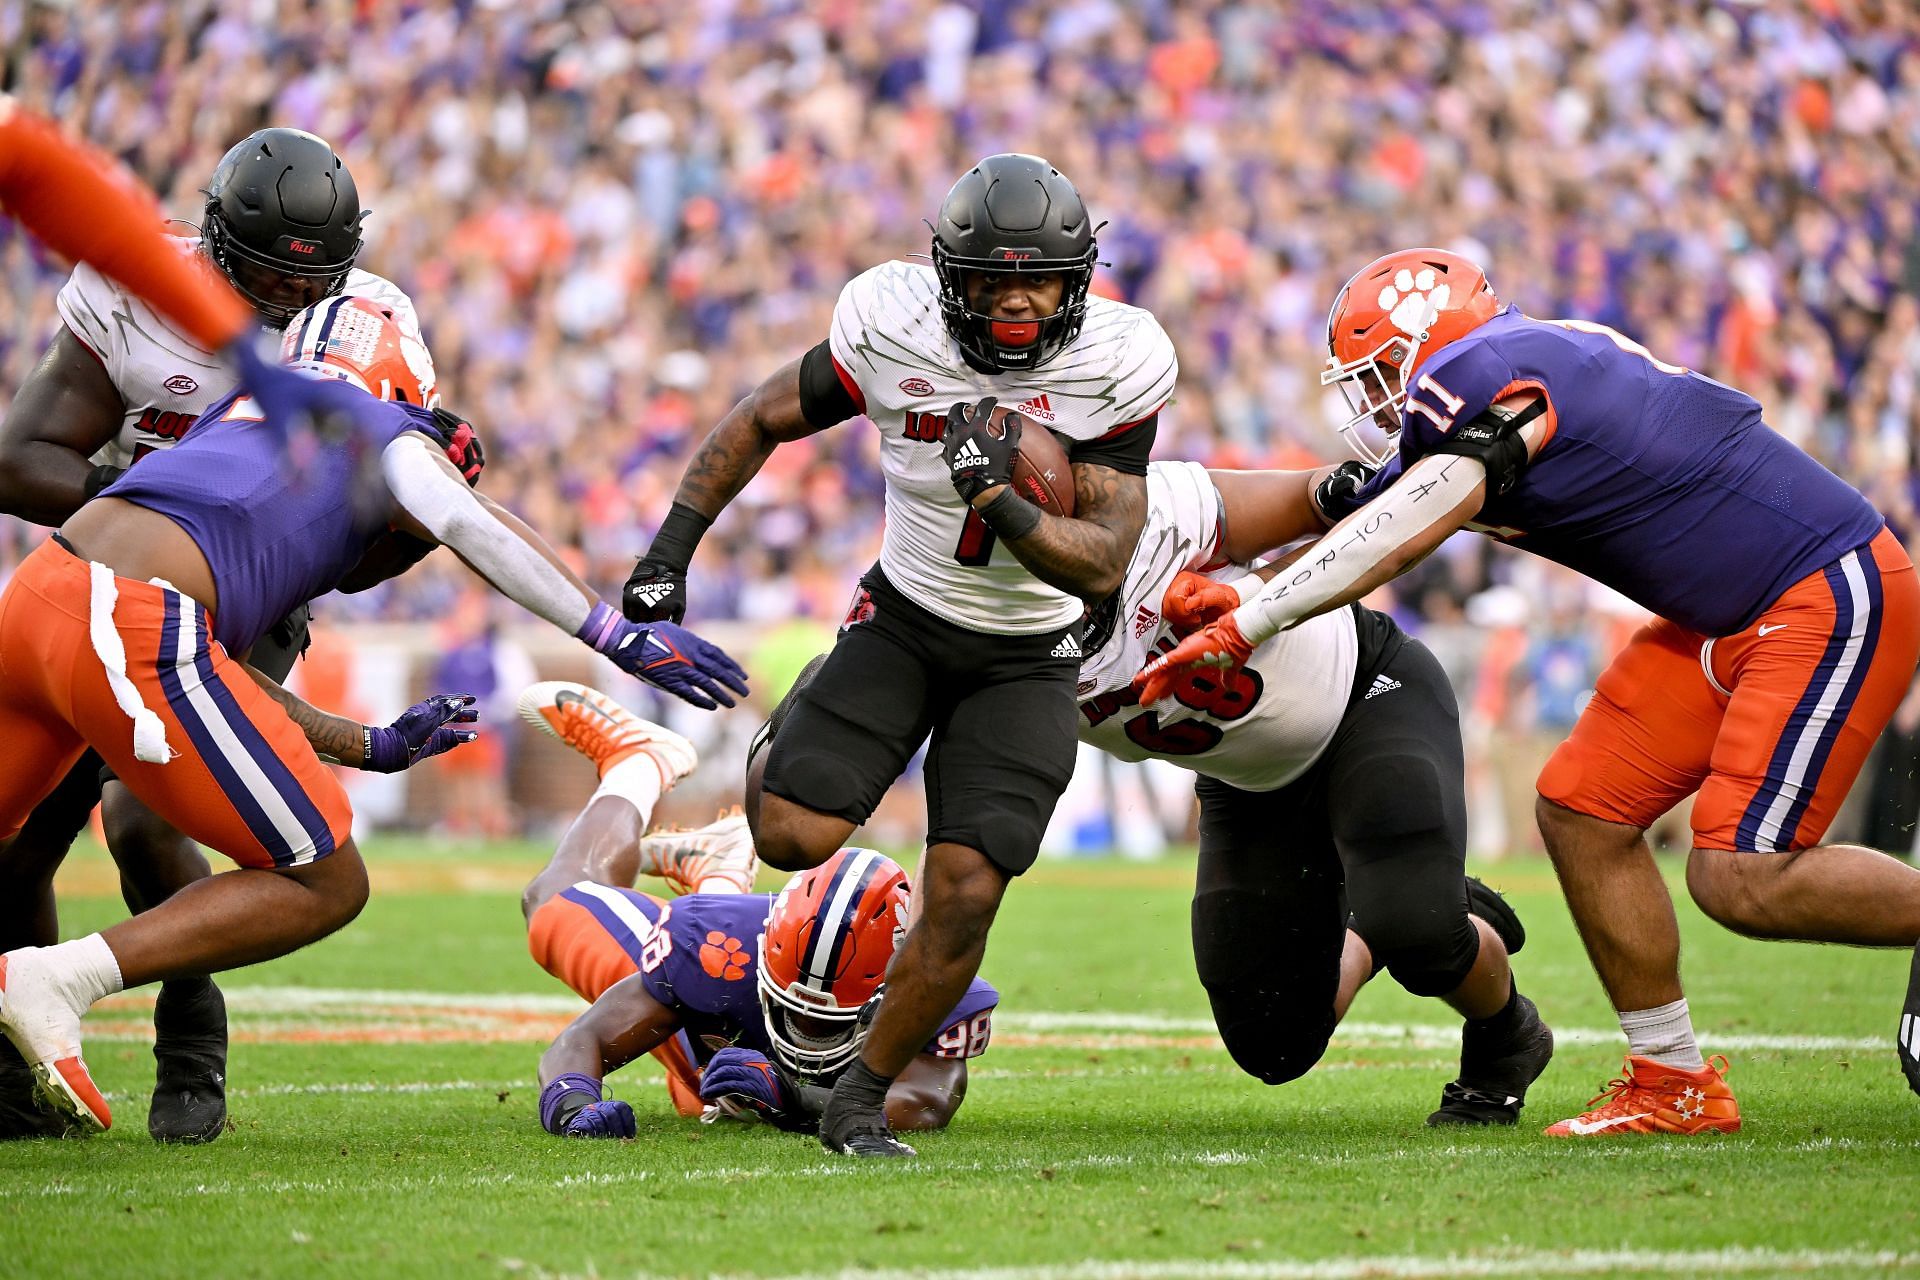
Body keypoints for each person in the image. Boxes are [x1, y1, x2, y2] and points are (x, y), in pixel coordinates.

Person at [1139, 248, 1920, 1135]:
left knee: (1739, 876)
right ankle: (1673, 1082)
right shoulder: (1511, 369)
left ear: (1436, 342)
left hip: (1819, 584)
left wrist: (1253, 618)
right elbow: (1367, 507)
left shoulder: (1484, 373)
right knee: (1582, 810)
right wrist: (1246, 586)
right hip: (1726, 614)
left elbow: (1396, 535)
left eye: (1384, 373)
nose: (1376, 401)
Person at [0, 297, 747, 1138]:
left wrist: (372, 744)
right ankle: (56, 980)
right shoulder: (375, 423)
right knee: (327, 881)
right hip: (130, 621)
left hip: (40, 596)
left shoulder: (237, 420)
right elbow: (466, 519)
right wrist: (612, 634)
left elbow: (216, 671)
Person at [622, 153, 1173, 1156]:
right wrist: (668, 553)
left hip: (1029, 647)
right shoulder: (889, 322)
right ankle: (751, 803)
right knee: (788, 829)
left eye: (1037, 280)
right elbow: (760, 418)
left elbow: (1100, 565)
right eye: (993, 281)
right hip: (908, 614)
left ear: (1077, 281)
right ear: (946, 279)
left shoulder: (1118, 359)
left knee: (966, 889)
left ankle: (857, 1096)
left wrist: (998, 497)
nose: (1016, 305)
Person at [0, 126, 444, 1143]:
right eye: (262, 277)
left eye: (311, 282)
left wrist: (280, 551)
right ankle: (12, 1075)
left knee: (148, 821)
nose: (287, 304)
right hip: (104, 575)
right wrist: (161, 508)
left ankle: (190, 1032)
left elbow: (406, 511)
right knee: (19, 840)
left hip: (243, 596)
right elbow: (19, 454)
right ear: (210, 241)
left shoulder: (367, 323)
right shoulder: (136, 291)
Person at [1075, 459, 1551, 1124]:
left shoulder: (1160, 521)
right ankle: (1387, 912)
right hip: (1249, 778)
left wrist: (1257, 590)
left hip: (1365, 694)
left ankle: (1505, 1035)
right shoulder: (997, 641)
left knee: (1419, 930)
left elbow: (1350, 502)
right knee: (1272, 1042)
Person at [518, 681, 993, 1139]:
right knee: (551, 906)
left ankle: (717, 867)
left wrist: (789, 1098)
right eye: (796, 1009)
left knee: (702, 1098)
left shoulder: (936, 984)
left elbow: (924, 1100)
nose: (805, 1035)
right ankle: (638, 761)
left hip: (730, 1033)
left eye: (826, 1022)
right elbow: (585, 1040)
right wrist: (573, 1106)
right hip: (723, 964)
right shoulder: (715, 948)